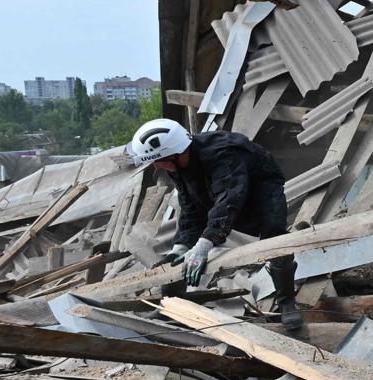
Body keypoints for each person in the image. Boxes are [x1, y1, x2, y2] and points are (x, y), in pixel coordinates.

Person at [129, 118, 302, 330]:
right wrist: (181, 246)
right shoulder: (178, 166)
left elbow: (229, 201)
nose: (156, 166)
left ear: (175, 154)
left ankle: (288, 305)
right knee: (179, 255)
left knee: (275, 240)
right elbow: (191, 208)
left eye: (158, 161)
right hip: (225, 190)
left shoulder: (224, 155)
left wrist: (203, 246)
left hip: (261, 189)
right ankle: (170, 305)